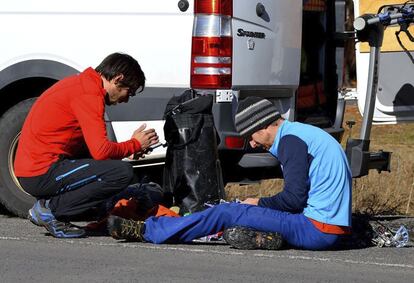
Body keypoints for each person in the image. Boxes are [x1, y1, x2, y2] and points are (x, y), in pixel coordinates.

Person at [108, 97, 352, 250]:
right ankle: (261, 235)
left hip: (316, 230)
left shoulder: (290, 141)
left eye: (251, 137)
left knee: (227, 211)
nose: (253, 145)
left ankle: (147, 231)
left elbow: (294, 199)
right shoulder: (304, 133)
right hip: (331, 227)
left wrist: (256, 202)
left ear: (264, 124)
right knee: (240, 212)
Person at [14, 53, 159, 238]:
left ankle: (57, 206)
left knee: (111, 169)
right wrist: (134, 145)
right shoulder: (89, 95)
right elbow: (101, 152)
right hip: (40, 172)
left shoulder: (82, 85)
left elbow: (95, 147)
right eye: (128, 92)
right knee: (121, 173)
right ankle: (49, 209)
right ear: (118, 79)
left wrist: (130, 148)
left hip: (37, 168)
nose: (126, 100)